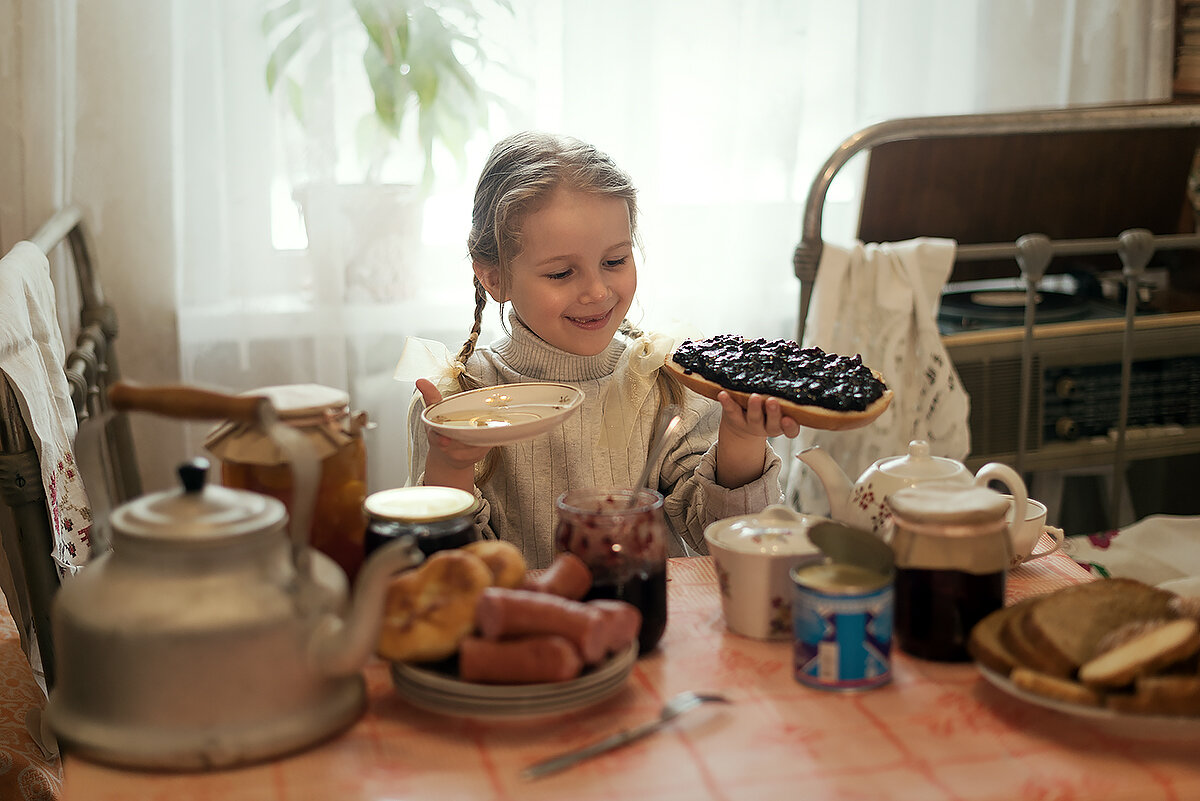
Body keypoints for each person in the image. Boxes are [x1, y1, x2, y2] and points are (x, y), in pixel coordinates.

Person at [408, 131, 801, 568]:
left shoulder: (664, 384)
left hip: (648, 622)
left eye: (615, 262)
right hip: (524, 630)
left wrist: (743, 438)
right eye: (561, 273)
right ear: (494, 278)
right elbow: (444, 572)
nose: (597, 291)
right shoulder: (459, 402)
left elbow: (726, 544)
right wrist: (450, 464)